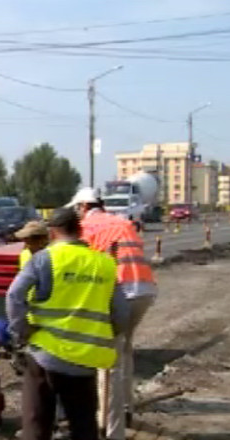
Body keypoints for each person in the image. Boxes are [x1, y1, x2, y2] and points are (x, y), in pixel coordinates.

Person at [6, 208, 129, 440]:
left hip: (46, 356)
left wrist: (22, 331)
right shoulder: (103, 263)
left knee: (36, 425)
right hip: (85, 360)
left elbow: (14, 296)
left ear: (52, 232)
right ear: (80, 230)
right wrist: (101, 336)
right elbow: (122, 313)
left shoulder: (44, 259)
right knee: (84, 426)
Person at [68, 187, 158, 439]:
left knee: (109, 363)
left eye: (77, 209)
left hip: (121, 293)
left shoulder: (87, 227)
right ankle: (127, 409)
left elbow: (87, 269)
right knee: (126, 349)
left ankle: (110, 429)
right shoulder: (122, 222)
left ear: (84, 207)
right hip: (145, 289)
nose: (77, 214)